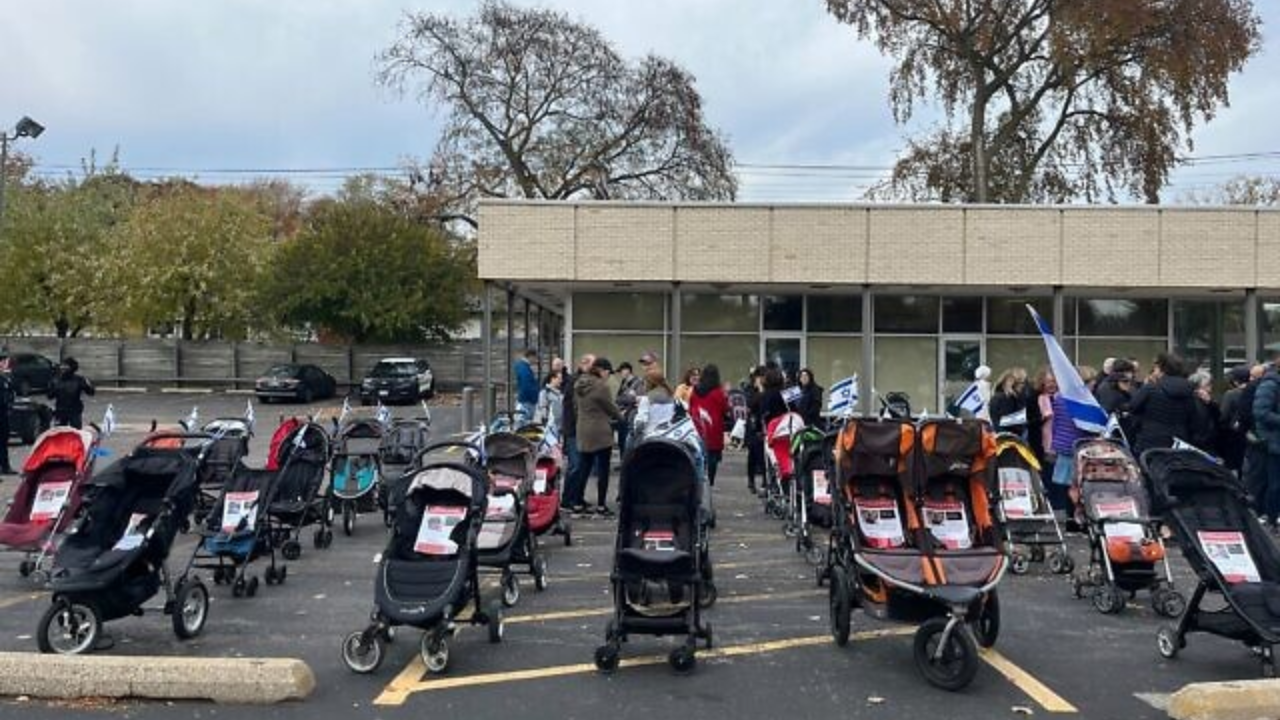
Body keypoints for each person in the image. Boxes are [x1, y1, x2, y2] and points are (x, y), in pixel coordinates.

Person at [1130, 352, 1210, 455]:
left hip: (1150, 442)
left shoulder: (1150, 388)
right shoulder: (1189, 391)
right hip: (1178, 442)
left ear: (1160, 369)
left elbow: (1133, 407)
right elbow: (1194, 419)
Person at [571, 357, 621, 517]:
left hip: (583, 430)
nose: (608, 375)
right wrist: (621, 417)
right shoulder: (601, 386)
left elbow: (575, 406)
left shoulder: (579, 384)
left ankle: (577, 504)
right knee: (603, 470)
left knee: (583, 468)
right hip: (600, 432)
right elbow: (611, 408)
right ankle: (601, 506)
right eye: (608, 372)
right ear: (601, 370)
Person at [560, 353, 595, 509]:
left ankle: (577, 497)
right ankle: (568, 499)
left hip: (579, 428)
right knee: (576, 465)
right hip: (575, 429)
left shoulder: (583, 380)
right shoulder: (576, 381)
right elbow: (576, 407)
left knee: (582, 465)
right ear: (585, 364)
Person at [1251, 359, 1280, 529]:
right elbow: (1261, 412)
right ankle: (1272, 516)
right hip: (1274, 441)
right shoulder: (1270, 385)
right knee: (1274, 482)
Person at [689, 364, 730, 486]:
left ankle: (698, 479)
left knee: (697, 453)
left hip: (697, 427)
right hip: (714, 428)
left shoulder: (695, 390)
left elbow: (691, 407)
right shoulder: (718, 392)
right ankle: (709, 481)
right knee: (713, 457)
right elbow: (725, 409)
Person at [1219, 364, 1255, 474]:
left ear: (1235, 381)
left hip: (1233, 435)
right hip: (1249, 433)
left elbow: (1223, 415)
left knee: (1232, 466)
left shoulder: (1231, 394)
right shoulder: (1254, 391)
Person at [1095, 358, 1139, 439]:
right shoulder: (1106, 387)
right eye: (1127, 371)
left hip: (1128, 429)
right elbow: (1109, 408)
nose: (1131, 375)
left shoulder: (1129, 384)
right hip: (1114, 430)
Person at [49, 357, 95, 430]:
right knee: (59, 432)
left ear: (72, 367)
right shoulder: (56, 380)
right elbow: (50, 396)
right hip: (60, 411)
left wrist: (88, 385)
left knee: (76, 432)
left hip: (75, 411)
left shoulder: (79, 379)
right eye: (62, 366)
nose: (63, 368)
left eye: (66, 366)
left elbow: (91, 392)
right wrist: (51, 387)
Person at [614, 362, 644, 455]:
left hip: (630, 415)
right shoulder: (624, 382)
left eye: (621, 371)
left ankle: (627, 462)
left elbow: (637, 399)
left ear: (628, 370)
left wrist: (626, 399)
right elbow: (618, 398)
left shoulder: (638, 382)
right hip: (622, 415)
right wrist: (626, 398)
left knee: (628, 441)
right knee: (621, 441)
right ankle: (623, 461)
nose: (621, 374)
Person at [744, 367, 765, 495]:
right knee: (753, 454)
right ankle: (751, 480)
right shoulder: (750, 389)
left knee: (763, 455)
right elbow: (750, 403)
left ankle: (764, 480)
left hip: (764, 425)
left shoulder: (768, 389)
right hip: (753, 426)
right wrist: (760, 391)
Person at [514, 349, 539, 421]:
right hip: (527, 401)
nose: (536, 361)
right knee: (524, 424)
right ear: (531, 357)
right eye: (535, 358)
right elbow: (526, 386)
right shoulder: (524, 368)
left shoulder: (523, 367)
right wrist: (534, 398)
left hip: (526, 400)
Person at [0, 360, 12, 476]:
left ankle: (5, 466)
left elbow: (8, 396)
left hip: (4, 415)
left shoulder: (5, 380)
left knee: (3, 442)